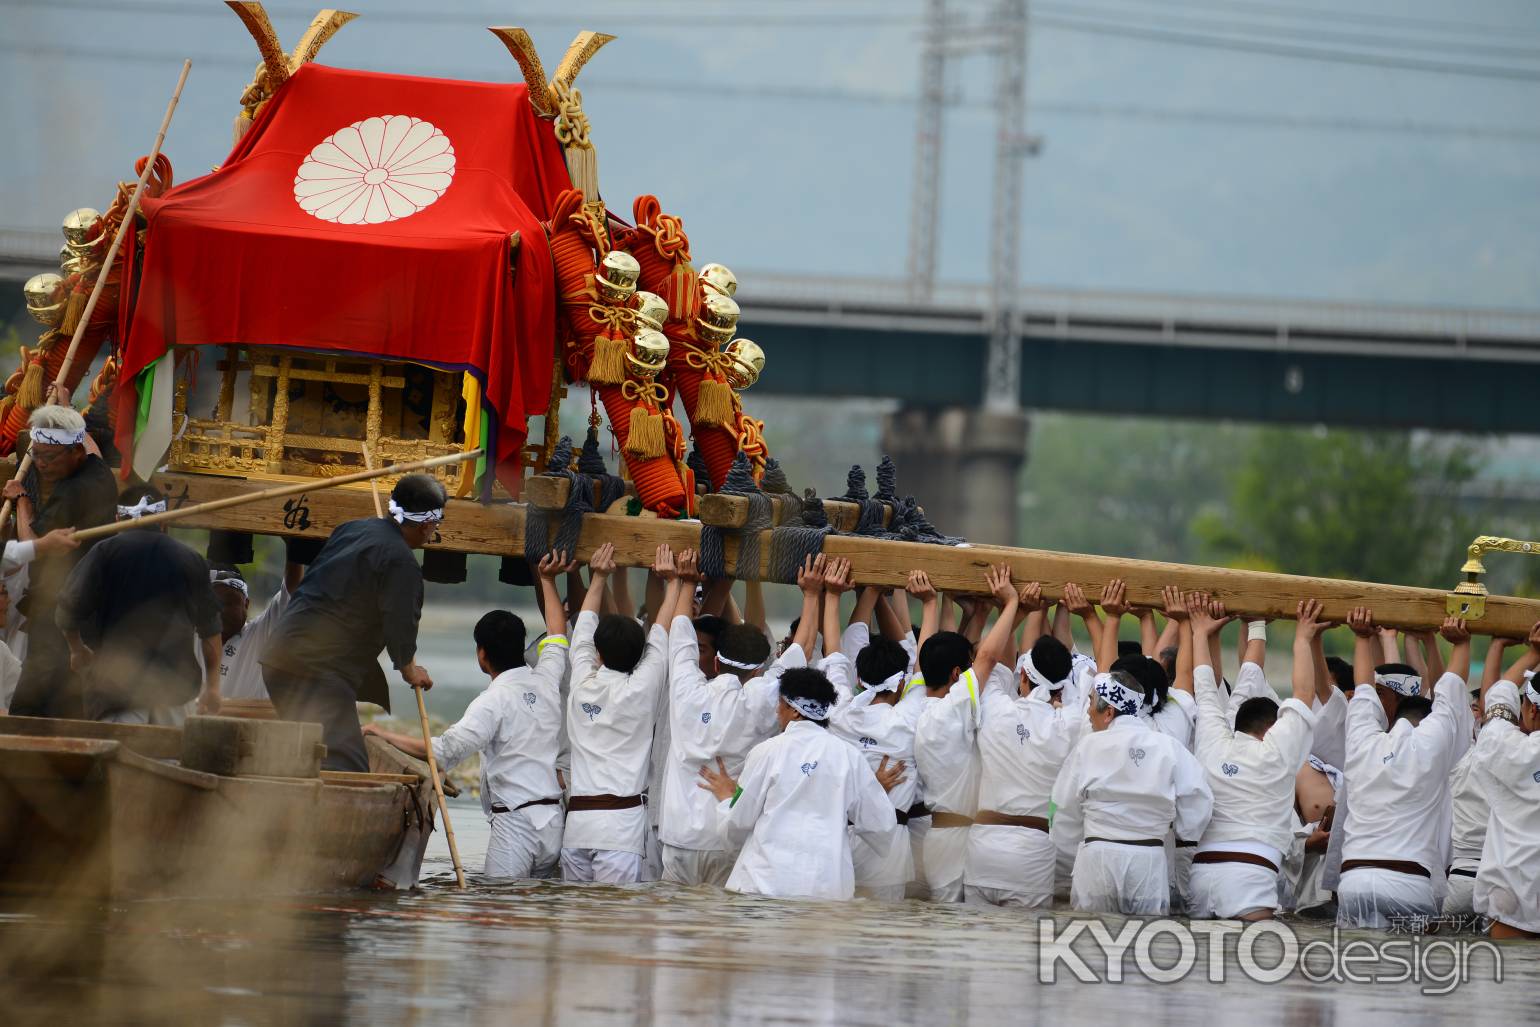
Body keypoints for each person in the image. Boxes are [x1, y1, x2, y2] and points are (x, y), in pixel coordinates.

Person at [365, 553, 572, 879]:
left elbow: (443, 752)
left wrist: (382, 734)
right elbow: (558, 634)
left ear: (482, 655)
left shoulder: (492, 701)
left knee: (497, 908)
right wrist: (547, 580)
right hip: (553, 821)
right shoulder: (547, 678)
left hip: (516, 823)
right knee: (539, 913)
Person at [261, 473, 444, 773]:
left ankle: (294, 813)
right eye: (439, 522)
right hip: (316, 669)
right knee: (348, 765)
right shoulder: (401, 561)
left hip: (278, 659)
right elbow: (400, 622)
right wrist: (411, 670)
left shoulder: (351, 529)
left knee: (310, 752)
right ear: (427, 523)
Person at [657, 553, 810, 887]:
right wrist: (813, 595)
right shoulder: (761, 699)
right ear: (758, 671)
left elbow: (681, 632)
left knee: (672, 932)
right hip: (726, 837)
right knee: (722, 934)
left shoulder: (686, 689)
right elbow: (803, 648)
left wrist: (686, 581)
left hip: (678, 837)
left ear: (714, 664)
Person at [698, 666, 904, 900]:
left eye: (780, 705)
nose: (777, 712)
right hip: (826, 888)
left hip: (765, 885)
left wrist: (727, 799)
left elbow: (737, 823)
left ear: (794, 710)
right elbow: (882, 827)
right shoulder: (849, 756)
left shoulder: (767, 751)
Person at [1335, 607, 1471, 930]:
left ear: (1392, 716)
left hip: (1353, 880)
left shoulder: (1362, 741)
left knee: (1351, 976)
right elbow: (1451, 690)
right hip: (1408, 883)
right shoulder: (1431, 744)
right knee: (1409, 974)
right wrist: (1461, 643)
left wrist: (1362, 636)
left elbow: (1365, 689)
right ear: (1424, 722)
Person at [1186, 595, 1318, 921]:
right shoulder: (1277, 752)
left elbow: (1204, 689)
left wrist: (1199, 632)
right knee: (1258, 962)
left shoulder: (1214, 743)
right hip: (1251, 870)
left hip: (1201, 874)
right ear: (1272, 727)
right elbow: (1303, 694)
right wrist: (1303, 637)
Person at [1050, 656, 1213, 916]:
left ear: (1110, 711)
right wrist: (1178, 829)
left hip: (1097, 858)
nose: (1088, 710)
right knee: (1142, 945)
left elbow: (1062, 809)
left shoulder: (1087, 746)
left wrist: (1072, 851)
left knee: (1088, 943)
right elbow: (1200, 799)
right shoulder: (1168, 747)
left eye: (1091, 702)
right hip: (1147, 862)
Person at [55, 485, 221, 723]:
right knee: (170, 759)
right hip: (173, 692)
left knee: (116, 759)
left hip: (117, 692)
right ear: (164, 522)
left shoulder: (104, 552)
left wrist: (77, 650)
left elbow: (66, 611)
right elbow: (211, 631)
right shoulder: (190, 558)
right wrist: (213, 687)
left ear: (117, 519)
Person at [965, 583, 1086, 908]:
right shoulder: (1070, 722)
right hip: (1032, 852)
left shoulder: (998, 707)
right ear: (1062, 689)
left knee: (971, 951)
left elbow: (988, 658)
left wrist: (1015, 608)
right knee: (1024, 953)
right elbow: (1088, 683)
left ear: (1022, 678)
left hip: (983, 846)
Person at [561, 542, 672, 884]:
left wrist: (597, 578)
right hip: (620, 832)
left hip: (577, 828)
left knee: (575, 927)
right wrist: (675, 583)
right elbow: (661, 636)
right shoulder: (641, 689)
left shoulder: (582, 684)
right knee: (617, 928)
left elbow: (581, 636)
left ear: (599, 653)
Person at [912, 564, 1021, 903]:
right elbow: (987, 658)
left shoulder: (918, 699)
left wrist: (1000, 613)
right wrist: (1012, 603)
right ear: (958, 673)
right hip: (955, 835)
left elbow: (935, 657)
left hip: (945, 834)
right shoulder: (952, 708)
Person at [6, 405, 117, 718]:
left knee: (34, 702)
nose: (40, 464)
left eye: (50, 457)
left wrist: (21, 500)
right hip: (84, 603)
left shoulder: (72, 492)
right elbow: (93, 443)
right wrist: (64, 408)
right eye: (36, 454)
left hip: (61, 607)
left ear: (75, 451)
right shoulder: (99, 470)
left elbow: (32, 545)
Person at [828, 583, 925, 902]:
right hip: (888, 845)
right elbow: (919, 663)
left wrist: (863, 595)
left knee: (837, 929)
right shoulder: (906, 720)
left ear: (859, 679)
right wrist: (929, 603)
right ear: (902, 683)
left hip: (840, 838)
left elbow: (836, 654)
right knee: (884, 940)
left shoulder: (840, 712)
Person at [1470, 622, 1540, 938]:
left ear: (1532, 712)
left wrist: (1534, 653)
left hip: (1511, 893)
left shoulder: (1507, 748)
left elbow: (1498, 697)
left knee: (1505, 978)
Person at [207, 557, 304, 702]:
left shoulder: (261, 633)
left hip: (247, 722)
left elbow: (292, 589)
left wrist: (295, 545)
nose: (220, 610)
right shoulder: (191, 634)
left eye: (228, 602)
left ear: (246, 604)